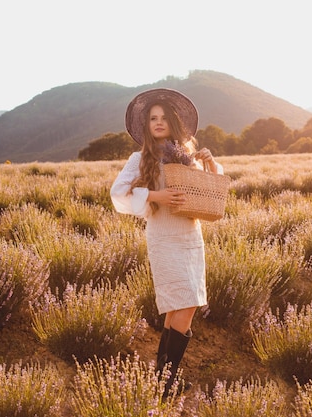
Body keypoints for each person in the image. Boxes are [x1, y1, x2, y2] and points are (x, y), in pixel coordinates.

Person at [110, 88, 223, 396]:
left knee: (180, 307)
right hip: (162, 236)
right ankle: (166, 384)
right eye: (152, 118)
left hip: (190, 235)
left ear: (173, 122)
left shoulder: (186, 157)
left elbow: (210, 192)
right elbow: (117, 194)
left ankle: (162, 381)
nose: (158, 123)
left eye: (163, 118)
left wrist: (211, 165)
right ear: (146, 125)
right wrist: (155, 195)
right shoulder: (140, 158)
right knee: (183, 305)